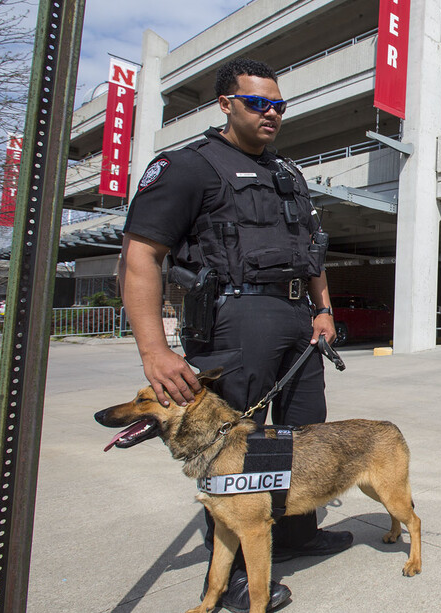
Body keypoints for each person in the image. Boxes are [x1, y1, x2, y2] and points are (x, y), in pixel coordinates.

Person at [120, 58, 352, 612]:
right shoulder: (187, 167)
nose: (271, 114)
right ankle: (232, 580)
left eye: (278, 105)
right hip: (234, 319)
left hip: (300, 323)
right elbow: (141, 255)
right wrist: (154, 350)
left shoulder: (288, 173)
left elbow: (311, 251)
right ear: (226, 104)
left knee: (303, 436)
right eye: (257, 103)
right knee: (234, 449)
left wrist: (323, 310)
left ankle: (296, 534)